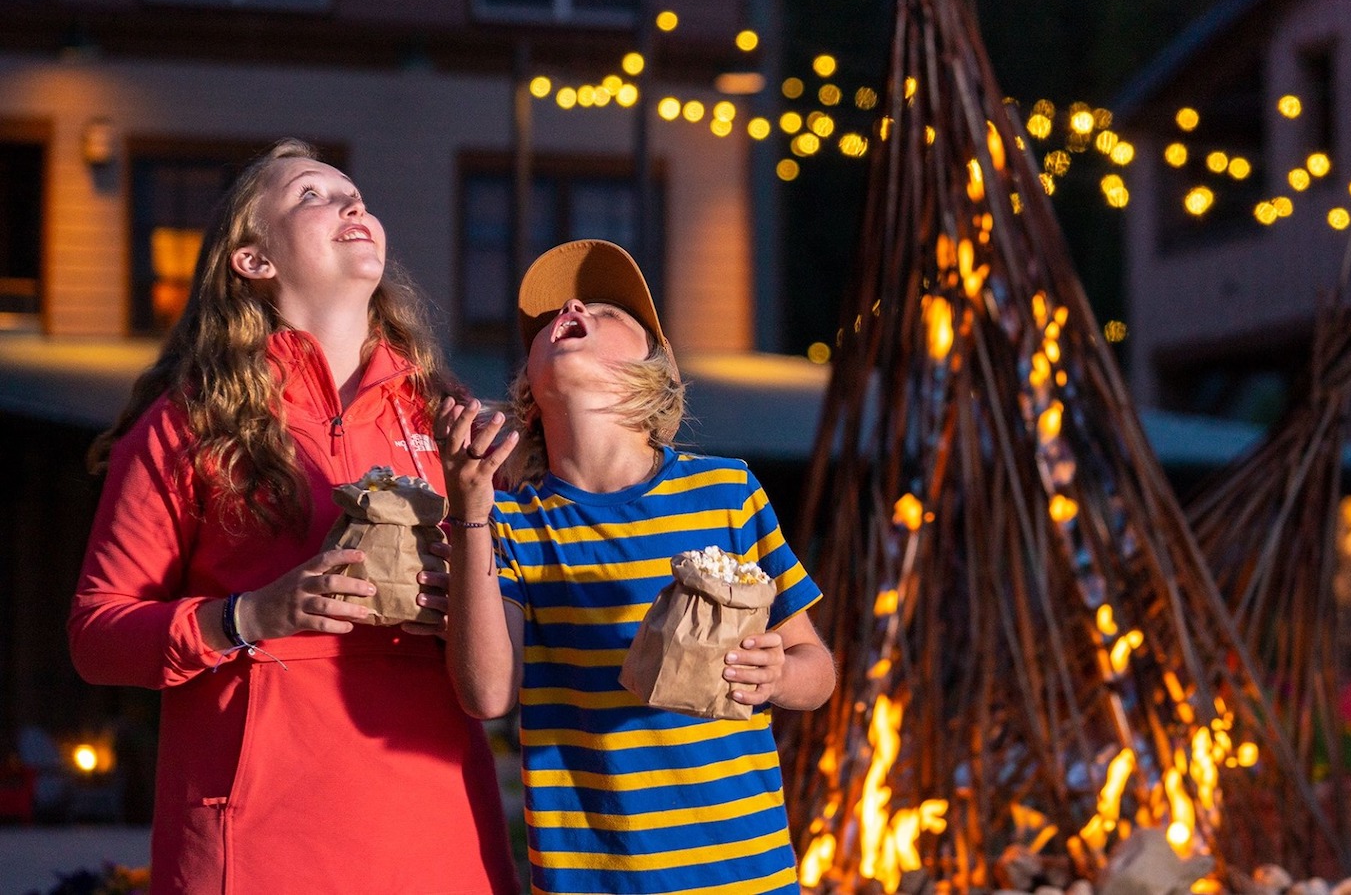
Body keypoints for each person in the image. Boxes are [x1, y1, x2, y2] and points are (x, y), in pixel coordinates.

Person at [70, 140, 518, 895]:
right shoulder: (188, 423)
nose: (353, 205)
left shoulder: (446, 417)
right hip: (258, 843)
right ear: (253, 260)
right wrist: (250, 616)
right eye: (312, 195)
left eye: (356, 194)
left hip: (437, 834)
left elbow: (504, 641)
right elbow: (97, 635)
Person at [437, 239, 836, 895]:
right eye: (554, 320)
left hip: (748, 876)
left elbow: (816, 672)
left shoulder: (728, 492)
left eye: (606, 310)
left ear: (652, 375)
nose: (572, 307)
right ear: (529, 394)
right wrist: (471, 508)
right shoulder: (508, 524)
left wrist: (778, 675)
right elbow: (487, 696)